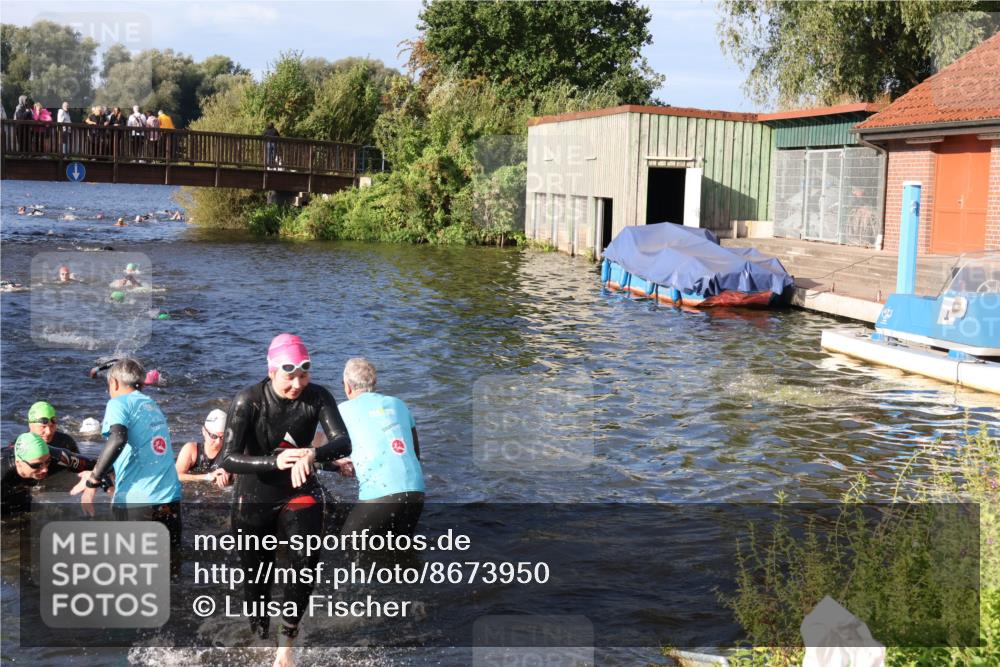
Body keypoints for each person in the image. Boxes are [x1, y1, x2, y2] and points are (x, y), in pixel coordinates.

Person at [219, 333, 352, 662]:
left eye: (303, 375)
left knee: (305, 559)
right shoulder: (248, 401)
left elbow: (343, 442)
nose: (297, 384)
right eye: (289, 376)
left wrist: (313, 454)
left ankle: (286, 646)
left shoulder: (317, 397)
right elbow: (227, 458)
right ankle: (259, 634)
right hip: (253, 498)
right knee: (256, 583)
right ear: (272, 371)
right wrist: (273, 461)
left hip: (298, 489)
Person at [70, 359, 182, 551]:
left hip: (138, 503)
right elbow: (136, 449)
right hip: (169, 499)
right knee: (170, 568)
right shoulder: (152, 405)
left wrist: (93, 481)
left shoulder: (118, 403)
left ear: (113, 383)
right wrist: (96, 472)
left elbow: (117, 440)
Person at [337, 358, 425, 538]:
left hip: (381, 495)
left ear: (347, 386)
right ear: (374, 383)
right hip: (417, 491)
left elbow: (328, 449)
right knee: (399, 552)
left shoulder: (342, 410)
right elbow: (415, 453)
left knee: (345, 547)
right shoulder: (398, 404)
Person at [2, 433, 95, 518]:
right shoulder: (3, 471)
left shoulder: (56, 456)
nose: (45, 469)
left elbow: (99, 465)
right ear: (19, 463)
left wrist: (93, 479)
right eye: (36, 465)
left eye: (47, 462)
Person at [176, 409, 231, 487]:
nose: (218, 442)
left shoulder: (229, 452)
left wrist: (229, 476)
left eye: (223, 437)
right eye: (213, 436)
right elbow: (177, 476)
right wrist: (208, 477)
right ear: (204, 431)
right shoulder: (191, 450)